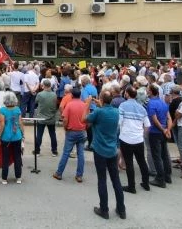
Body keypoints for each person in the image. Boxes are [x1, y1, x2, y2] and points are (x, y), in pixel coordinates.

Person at [86, 91, 126, 220]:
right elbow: (105, 110)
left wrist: (87, 105)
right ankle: (121, 209)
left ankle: (104, 209)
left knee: (102, 179)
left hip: (100, 150)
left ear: (102, 100)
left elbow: (83, 119)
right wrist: (101, 104)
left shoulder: (99, 112)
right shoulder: (116, 112)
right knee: (116, 180)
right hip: (112, 150)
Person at [118, 87, 151, 193]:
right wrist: (142, 135)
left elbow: (120, 121)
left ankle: (131, 186)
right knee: (142, 161)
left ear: (127, 94)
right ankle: (146, 183)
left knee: (129, 163)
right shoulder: (141, 108)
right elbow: (147, 125)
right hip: (138, 139)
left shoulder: (123, 106)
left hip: (126, 138)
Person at [54, 87, 89, 182]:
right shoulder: (84, 105)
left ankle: (59, 173)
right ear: (80, 95)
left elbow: (65, 119)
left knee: (66, 153)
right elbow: (88, 119)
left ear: (72, 95)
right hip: (81, 131)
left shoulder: (69, 105)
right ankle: (79, 175)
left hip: (71, 131)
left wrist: (65, 127)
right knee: (80, 154)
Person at [146, 84, 172, 188]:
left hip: (155, 132)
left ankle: (160, 178)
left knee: (156, 156)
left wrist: (163, 129)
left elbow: (154, 119)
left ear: (152, 92)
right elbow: (169, 117)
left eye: (148, 90)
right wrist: (167, 130)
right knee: (164, 154)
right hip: (163, 132)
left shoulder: (151, 103)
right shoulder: (163, 103)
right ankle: (167, 175)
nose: (147, 92)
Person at [0, 91, 23, 185]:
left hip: (6, 137)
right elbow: (20, 122)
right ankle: (18, 177)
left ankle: (4, 178)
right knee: (17, 157)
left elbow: (2, 124)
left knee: (6, 157)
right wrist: (23, 134)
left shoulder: (2, 110)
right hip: (17, 136)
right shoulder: (17, 109)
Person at [34, 79, 58, 157]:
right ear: (50, 86)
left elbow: (36, 102)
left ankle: (37, 151)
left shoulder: (40, 94)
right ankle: (54, 151)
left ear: (43, 86)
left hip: (41, 118)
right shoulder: (54, 94)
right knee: (52, 134)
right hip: (51, 117)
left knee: (39, 134)